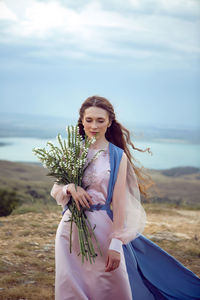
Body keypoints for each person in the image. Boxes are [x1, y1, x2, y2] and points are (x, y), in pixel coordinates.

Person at [50, 96, 200, 300]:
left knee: (107, 287)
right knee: (71, 288)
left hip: (103, 230)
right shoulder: (72, 152)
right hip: (70, 230)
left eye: (100, 120)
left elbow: (120, 204)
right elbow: (56, 189)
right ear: (82, 121)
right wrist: (70, 188)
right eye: (89, 120)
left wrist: (115, 244)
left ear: (109, 122)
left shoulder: (117, 156)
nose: (94, 125)